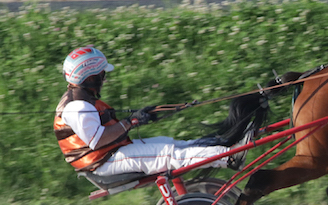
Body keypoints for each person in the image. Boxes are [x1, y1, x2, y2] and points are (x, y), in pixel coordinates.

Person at [54, 46, 241, 178]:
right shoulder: (78, 105)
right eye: (102, 75)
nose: (104, 79)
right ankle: (229, 156)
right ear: (91, 76)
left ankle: (220, 146)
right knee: (168, 154)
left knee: (170, 144)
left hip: (110, 154)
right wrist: (131, 122)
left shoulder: (80, 98)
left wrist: (139, 118)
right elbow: (98, 140)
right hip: (102, 162)